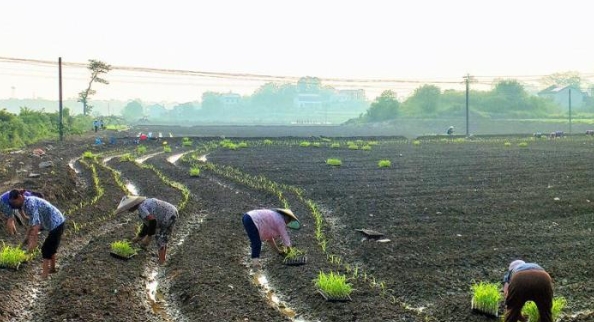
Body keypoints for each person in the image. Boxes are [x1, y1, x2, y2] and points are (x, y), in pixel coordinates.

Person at [8, 189, 65, 279]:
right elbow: (32, 222)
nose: (14, 205)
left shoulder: (30, 203)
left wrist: (32, 243)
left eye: (14, 203)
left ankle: (44, 275)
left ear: (19, 197)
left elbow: (36, 224)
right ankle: (52, 269)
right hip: (52, 223)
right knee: (51, 247)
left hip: (57, 222)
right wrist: (27, 237)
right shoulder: (26, 204)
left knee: (46, 248)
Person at [114, 196, 178, 265]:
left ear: (132, 205)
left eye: (128, 207)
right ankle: (162, 259)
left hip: (168, 215)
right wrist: (139, 237)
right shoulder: (144, 204)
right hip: (172, 212)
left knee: (160, 238)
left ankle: (161, 261)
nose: (128, 210)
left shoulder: (141, 208)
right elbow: (147, 224)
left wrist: (149, 237)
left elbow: (153, 221)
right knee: (163, 238)